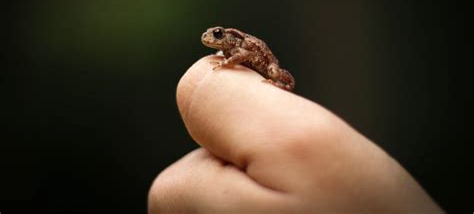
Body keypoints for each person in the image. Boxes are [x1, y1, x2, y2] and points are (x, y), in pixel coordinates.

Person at [148, 56, 442, 213]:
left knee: (275, 72)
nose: (213, 39)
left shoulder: (242, 46)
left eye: (218, 34)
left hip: (267, 66)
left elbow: (249, 56)